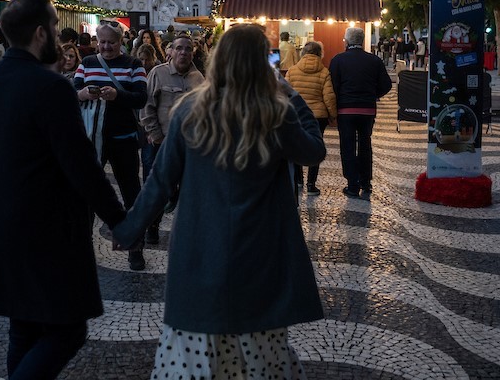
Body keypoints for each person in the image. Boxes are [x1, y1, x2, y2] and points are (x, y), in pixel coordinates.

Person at [113, 25, 325, 379]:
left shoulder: (189, 111)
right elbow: (313, 151)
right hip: (260, 250)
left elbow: (161, 181)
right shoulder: (275, 113)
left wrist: (130, 228)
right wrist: (292, 96)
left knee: (196, 352)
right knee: (261, 352)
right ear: (262, 65)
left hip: (200, 248)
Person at [0, 0, 126, 380]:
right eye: (56, 28)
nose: (59, 37)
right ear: (42, 33)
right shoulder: (51, 87)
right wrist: (119, 220)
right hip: (44, 231)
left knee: (23, 327)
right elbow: (81, 165)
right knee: (67, 329)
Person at [74, 20, 148, 271]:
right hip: (93, 139)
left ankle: (134, 249)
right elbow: (73, 92)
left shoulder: (134, 65)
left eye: (111, 42)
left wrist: (118, 96)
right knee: (88, 194)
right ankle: (82, 249)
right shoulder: (87, 64)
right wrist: (83, 94)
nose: (106, 47)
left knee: (131, 194)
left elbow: (141, 98)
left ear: (121, 42)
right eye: (102, 42)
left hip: (123, 139)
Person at [138, 33, 204, 243]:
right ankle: (152, 227)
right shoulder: (158, 73)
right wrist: (155, 135)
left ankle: (187, 233)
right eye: (179, 48)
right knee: (157, 189)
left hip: (188, 146)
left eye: (188, 48)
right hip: (161, 143)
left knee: (188, 191)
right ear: (170, 51)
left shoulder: (199, 79)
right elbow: (147, 107)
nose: (183, 52)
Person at [329, 27, 392, 198]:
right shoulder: (374, 61)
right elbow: (387, 85)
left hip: (346, 110)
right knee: (365, 145)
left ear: (347, 42)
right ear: (362, 41)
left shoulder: (338, 60)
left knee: (347, 146)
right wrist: (373, 95)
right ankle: (366, 182)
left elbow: (333, 86)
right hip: (367, 110)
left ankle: (352, 185)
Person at [285, 41, 337, 195]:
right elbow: (329, 96)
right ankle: (311, 184)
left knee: (295, 144)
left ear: (303, 53)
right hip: (318, 116)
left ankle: (298, 180)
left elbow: (286, 94)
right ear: (319, 54)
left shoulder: (292, 71)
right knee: (316, 144)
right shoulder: (324, 72)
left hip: (296, 113)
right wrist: (333, 115)